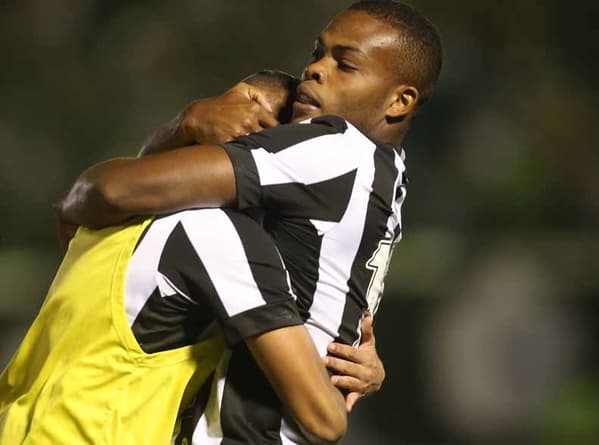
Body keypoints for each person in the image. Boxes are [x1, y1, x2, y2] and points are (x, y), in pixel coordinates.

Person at [59, 1, 443, 443]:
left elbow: (115, 190)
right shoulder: (388, 175)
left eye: (345, 64)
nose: (316, 69)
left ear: (400, 100)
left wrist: (190, 121)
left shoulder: (332, 149)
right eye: (317, 52)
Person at [0, 73, 355, 445]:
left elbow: (77, 208)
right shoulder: (219, 236)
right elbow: (323, 420)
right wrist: (341, 370)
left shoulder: (108, 213)